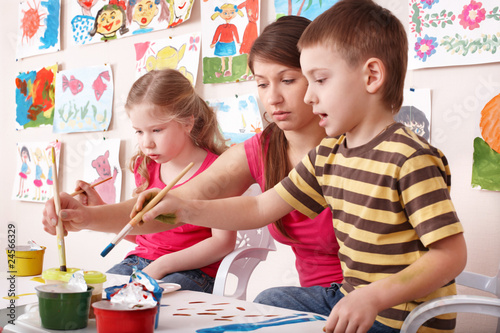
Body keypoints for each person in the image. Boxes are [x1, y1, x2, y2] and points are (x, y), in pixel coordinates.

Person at [132, 1, 467, 332]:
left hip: (402, 318)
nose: (309, 97)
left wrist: (374, 296)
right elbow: (259, 206)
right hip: (351, 299)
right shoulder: (329, 155)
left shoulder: (409, 158)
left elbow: (450, 255)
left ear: (371, 76)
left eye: (319, 80)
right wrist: (186, 209)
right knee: (269, 302)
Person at [42, 16, 342, 290]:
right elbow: (170, 206)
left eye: (287, 80)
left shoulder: (356, 146)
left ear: (319, 77)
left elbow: (246, 213)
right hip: (314, 301)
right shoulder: (259, 150)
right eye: (262, 84)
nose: (272, 98)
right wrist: (84, 216)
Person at [55, 68, 236, 293]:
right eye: (139, 132)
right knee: (93, 297)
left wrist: (162, 265)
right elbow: (144, 232)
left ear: (188, 123)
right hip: (139, 262)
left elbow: (223, 242)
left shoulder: (216, 170)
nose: (147, 143)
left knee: (146, 307)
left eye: (156, 130)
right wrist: (100, 209)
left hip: (193, 271)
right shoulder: (146, 167)